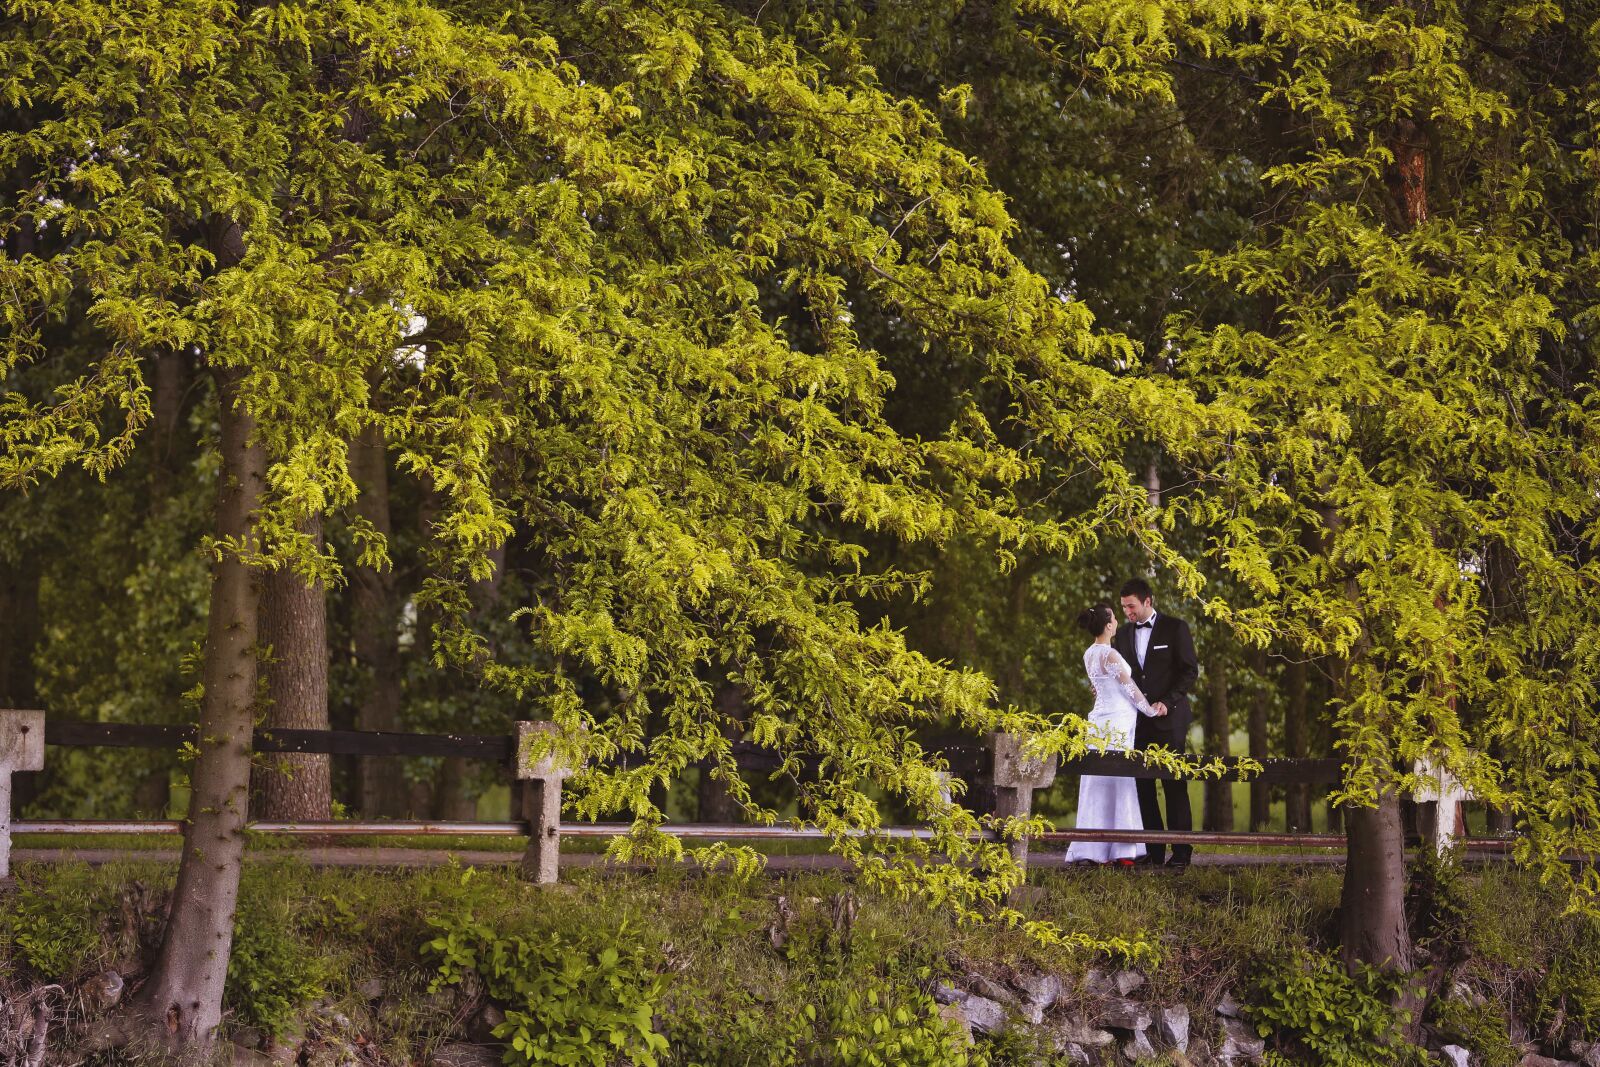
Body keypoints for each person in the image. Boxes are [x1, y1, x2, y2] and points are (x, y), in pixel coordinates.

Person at [1064, 603, 1166, 867]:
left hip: (1101, 720)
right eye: (1114, 617)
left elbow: (1101, 686)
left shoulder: (1089, 653)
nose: (1118, 620)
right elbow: (1129, 688)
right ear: (1108, 625)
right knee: (1118, 780)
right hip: (1115, 723)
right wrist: (1150, 710)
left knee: (1099, 781)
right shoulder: (1109, 655)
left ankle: (1096, 848)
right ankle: (1121, 849)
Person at [1114, 578, 1200, 869]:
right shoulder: (1123, 635)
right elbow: (1123, 677)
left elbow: (1189, 671)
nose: (1127, 612)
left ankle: (1182, 854)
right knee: (1143, 788)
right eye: (1124, 607)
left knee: (1174, 785)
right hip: (1137, 722)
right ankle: (1153, 853)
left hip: (1170, 721)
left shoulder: (1176, 628)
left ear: (1147, 601)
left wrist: (1168, 702)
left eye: (1132, 606)